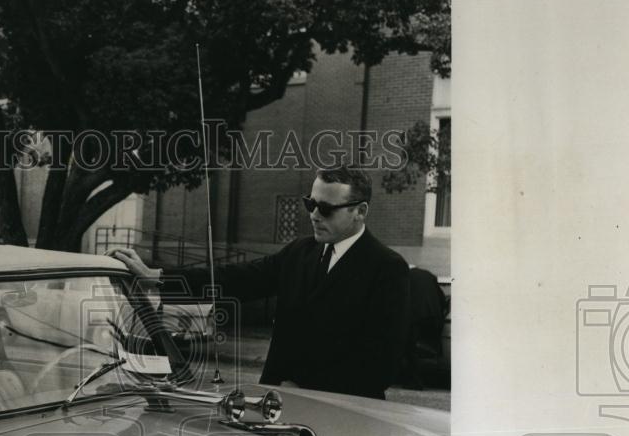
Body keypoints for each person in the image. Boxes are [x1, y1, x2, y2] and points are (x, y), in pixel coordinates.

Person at [110, 167, 410, 400]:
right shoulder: (299, 252)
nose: (314, 215)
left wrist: (309, 389)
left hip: (343, 420)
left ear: (360, 212)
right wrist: (156, 278)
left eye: (326, 208)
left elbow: (382, 365)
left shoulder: (387, 268)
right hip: (278, 406)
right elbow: (234, 280)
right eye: (310, 204)